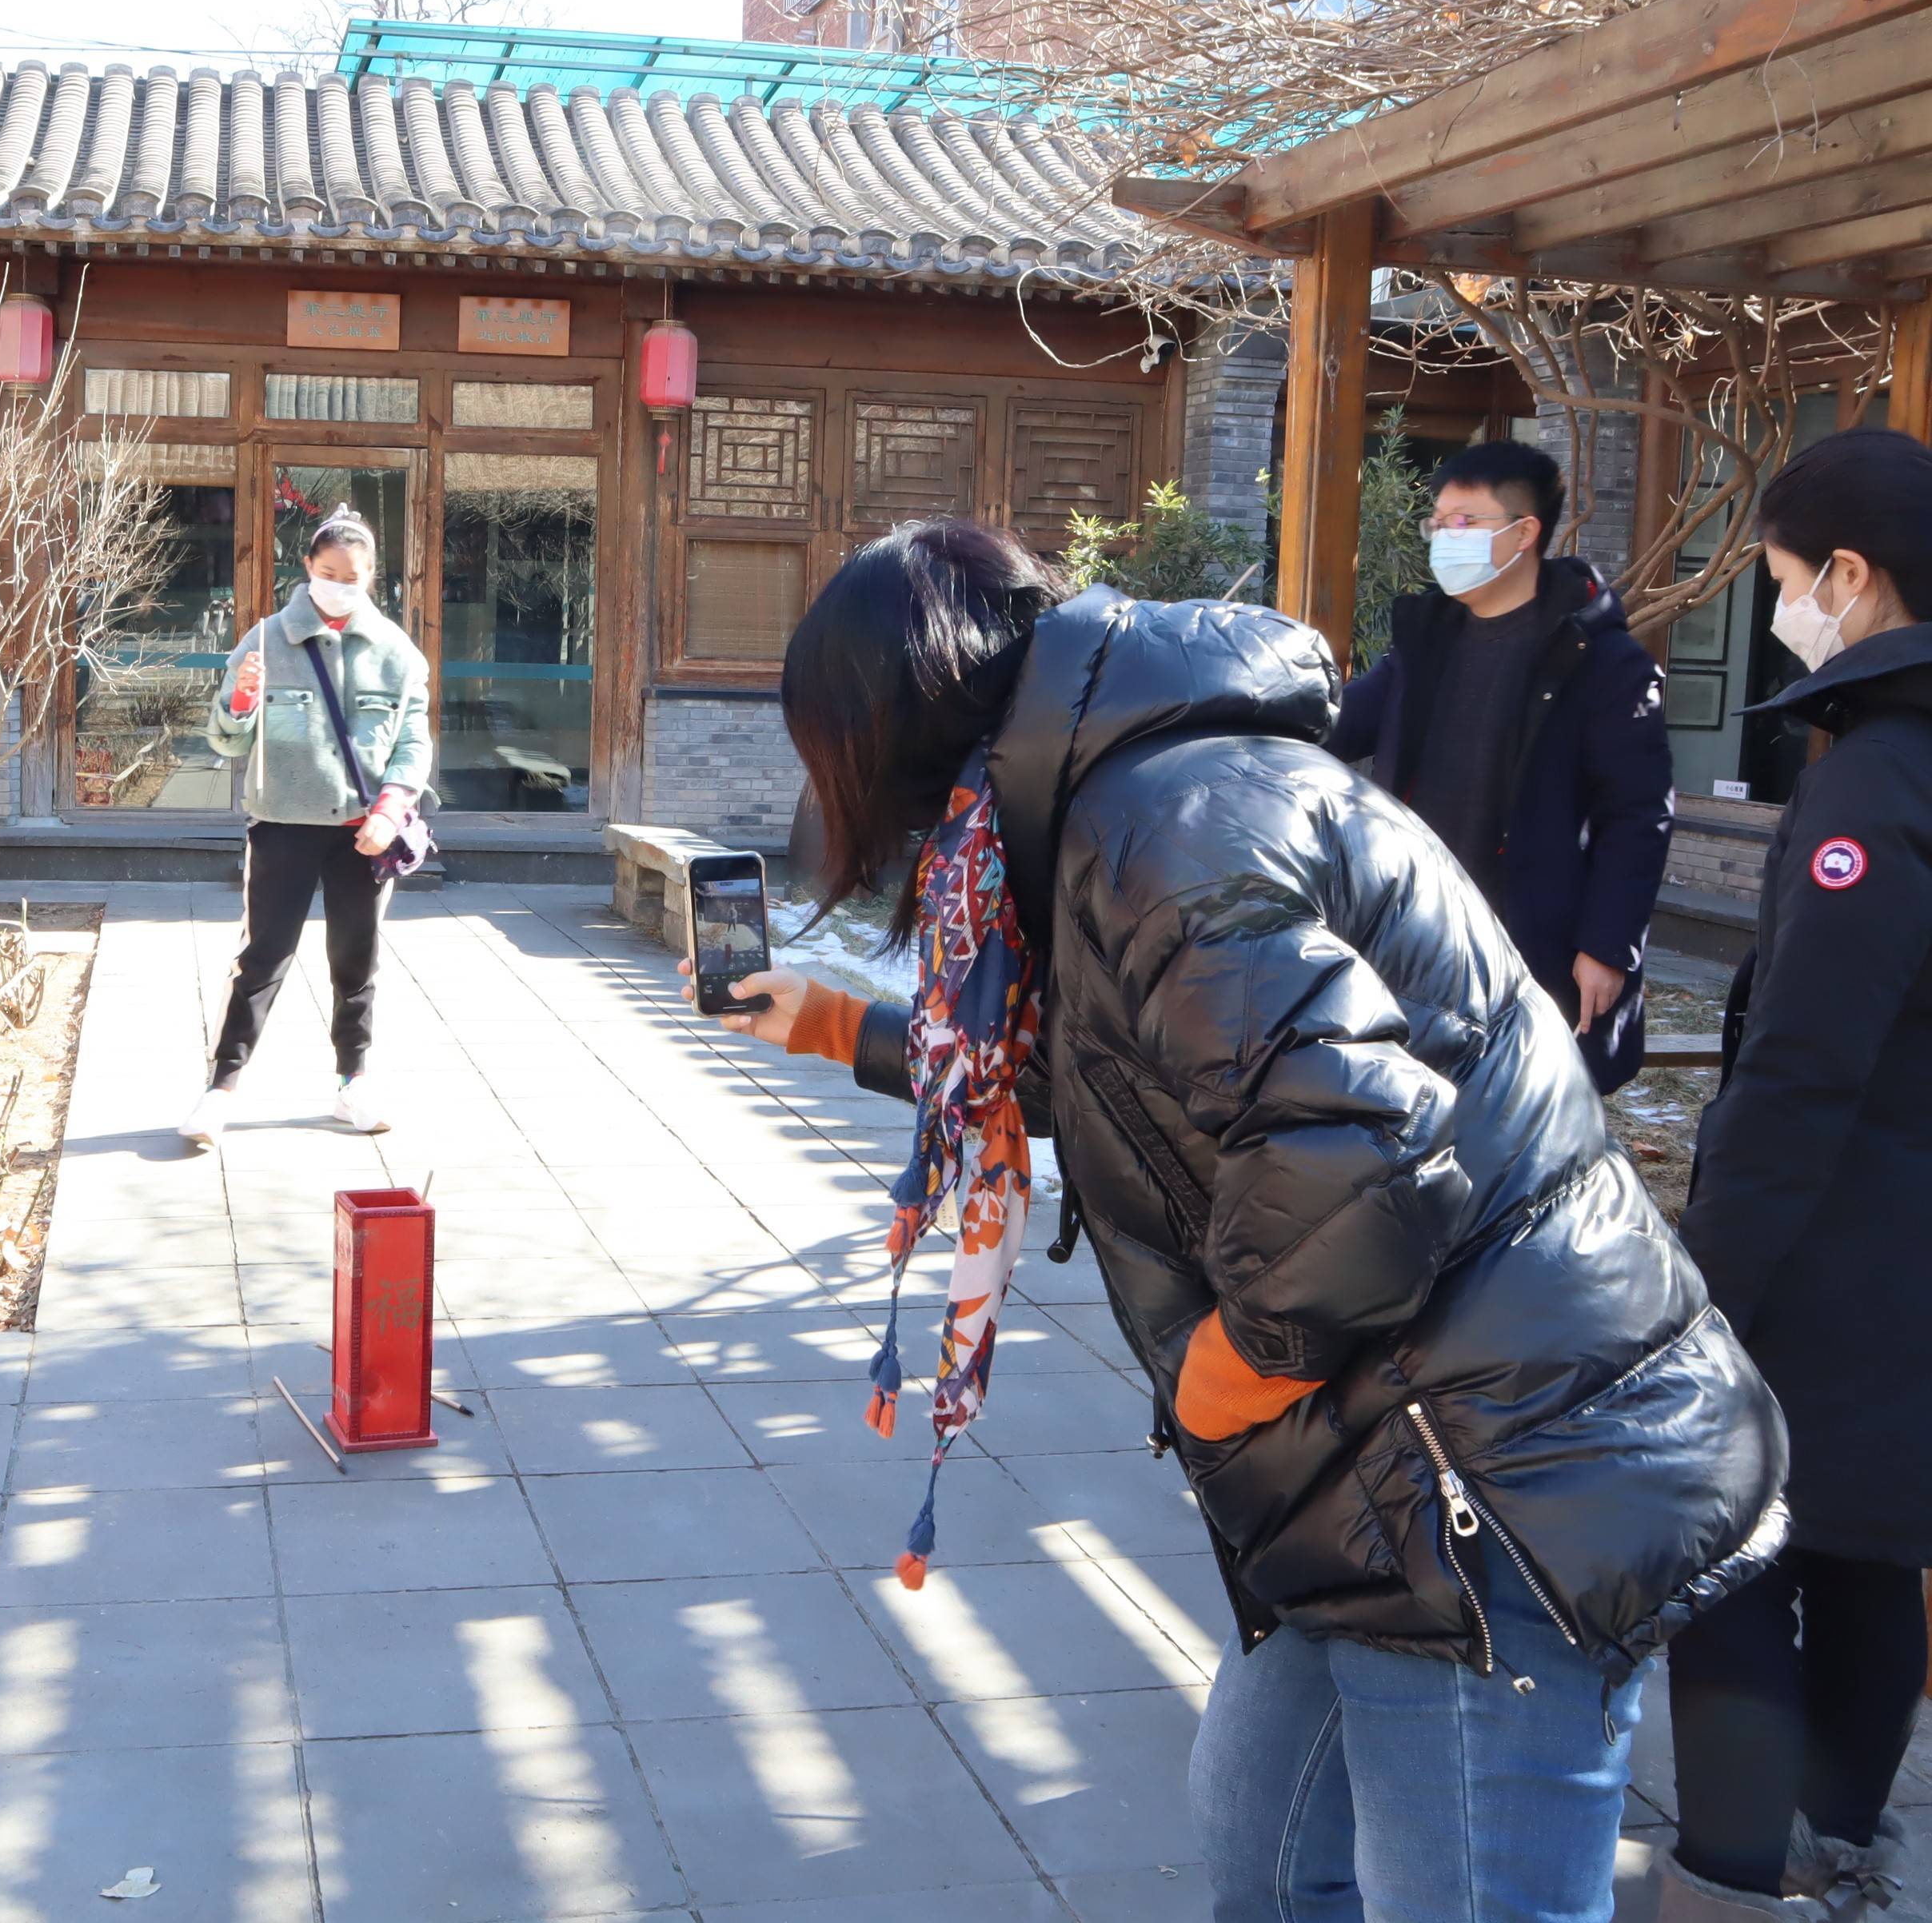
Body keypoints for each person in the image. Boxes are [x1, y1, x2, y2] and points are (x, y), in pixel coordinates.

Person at [700, 521, 1785, 1923]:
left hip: (1487, 1474)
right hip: (1367, 1462)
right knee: (1265, 1855)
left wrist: (1233, 1369)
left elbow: (1357, 1149)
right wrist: (844, 1023)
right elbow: (1127, 1064)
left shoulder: (1172, 820)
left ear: (893, 722)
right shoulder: (1128, 801)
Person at [1660, 428, 1932, 1922]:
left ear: (1846, 575)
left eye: (1775, 576)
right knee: (1873, 1544)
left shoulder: (1870, 784)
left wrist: (1699, 1282)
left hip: (1844, 1245)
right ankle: (1839, 1841)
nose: (1776, 609)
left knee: (1746, 1551)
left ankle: (1729, 1874)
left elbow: (1800, 1068)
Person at [1330, 440, 1676, 1092]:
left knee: (1533, 1127)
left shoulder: (1601, 660)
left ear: (1524, 533)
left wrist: (1607, 948)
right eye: (1439, 521)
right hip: (1420, 932)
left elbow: (1638, 815)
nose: (1445, 536)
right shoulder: (1425, 643)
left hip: (1537, 939)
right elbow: (1337, 723)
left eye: (1467, 522)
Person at [179, 513, 430, 1146]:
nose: (340, 585)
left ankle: (355, 1082)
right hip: (283, 827)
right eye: (328, 574)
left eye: (353, 576)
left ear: (372, 577)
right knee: (262, 959)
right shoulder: (265, 641)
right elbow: (226, 740)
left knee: (357, 962)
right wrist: (239, 700)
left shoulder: (398, 653)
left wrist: (391, 808)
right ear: (308, 571)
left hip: (364, 833)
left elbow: (413, 742)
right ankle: (221, 1089)